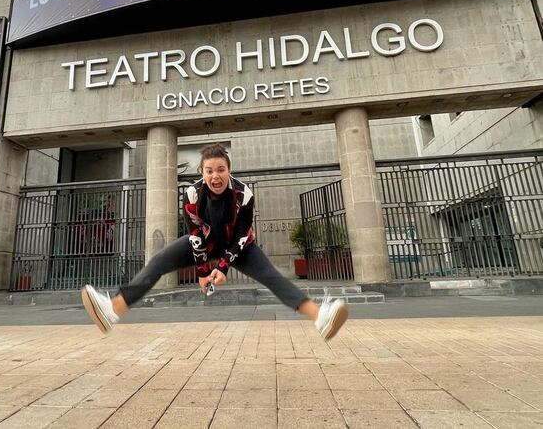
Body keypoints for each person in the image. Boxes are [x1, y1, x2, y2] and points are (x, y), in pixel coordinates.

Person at [82, 143, 348, 340]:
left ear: (229, 171)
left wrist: (222, 267)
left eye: (221, 170)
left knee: (272, 277)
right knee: (158, 261)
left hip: (240, 246)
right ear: (202, 172)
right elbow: (195, 234)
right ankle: (112, 310)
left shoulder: (243, 194)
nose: (215, 176)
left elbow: (242, 234)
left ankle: (320, 316)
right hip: (204, 243)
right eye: (209, 171)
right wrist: (202, 272)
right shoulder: (191, 194)